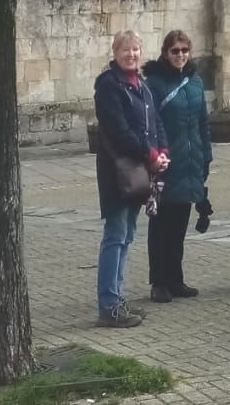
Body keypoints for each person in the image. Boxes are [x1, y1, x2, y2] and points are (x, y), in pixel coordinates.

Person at [94, 29, 168, 328]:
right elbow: (119, 130)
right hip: (118, 172)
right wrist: (149, 154)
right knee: (115, 236)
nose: (131, 55)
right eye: (125, 50)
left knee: (126, 236)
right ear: (115, 52)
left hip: (140, 171)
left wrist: (162, 150)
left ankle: (117, 297)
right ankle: (108, 304)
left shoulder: (143, 85)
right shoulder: (109, 86)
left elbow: (155, 122)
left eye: (135, 50)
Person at [143, 30, 213, 303]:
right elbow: (148, 123)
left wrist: (205, 155)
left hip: (190, 160)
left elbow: (202, 123)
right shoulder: (155, 84)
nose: (180, 55)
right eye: (175, 51)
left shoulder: (194, 82)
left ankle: (176, 278)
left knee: (180, 222)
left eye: (184, 50)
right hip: (165, 161)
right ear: (165, 53)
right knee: (161, 224)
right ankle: (158, 281)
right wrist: (154, 156)